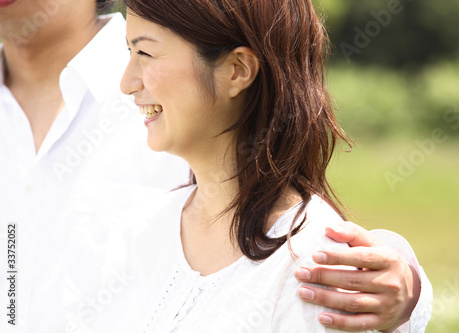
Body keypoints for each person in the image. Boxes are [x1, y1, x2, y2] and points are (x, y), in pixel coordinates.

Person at [0, 0, 431, 332]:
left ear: (239, 70)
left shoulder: (165, 94)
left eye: (143, 54)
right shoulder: (155, 220)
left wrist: (401, 286)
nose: (128, 81)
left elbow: (302, 249)